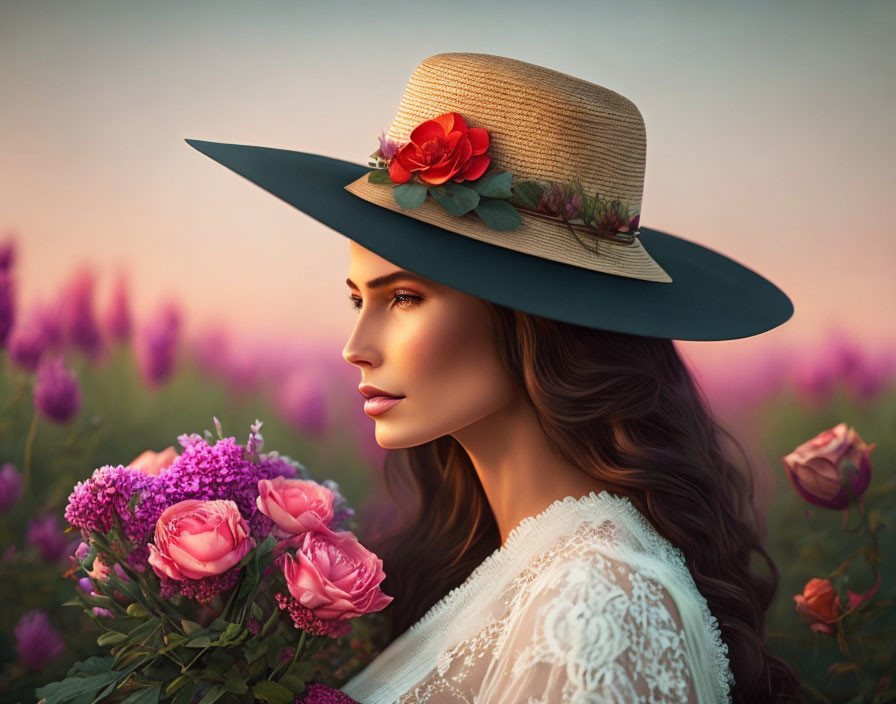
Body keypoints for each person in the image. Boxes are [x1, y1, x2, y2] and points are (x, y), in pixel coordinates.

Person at [186, 52, 803, 703]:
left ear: (532, 318)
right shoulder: (528, 564)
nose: (355, 348)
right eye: (356, 299)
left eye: (404, 299)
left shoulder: (591, 605)